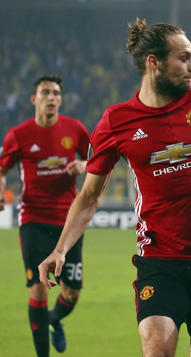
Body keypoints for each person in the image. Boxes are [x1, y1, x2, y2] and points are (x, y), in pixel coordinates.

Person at [38, 19, 191, 357]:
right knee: (156, 347)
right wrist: (61, 249)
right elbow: (90, 196)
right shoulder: (116, 121)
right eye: (184, 58)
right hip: (160, 259)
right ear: (153, 62)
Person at [0, 75, 90, 357]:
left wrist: (84, 164)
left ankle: (52, 321)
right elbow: (1, 170)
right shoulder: (18, 135)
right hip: (34, 220)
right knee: (38, 289)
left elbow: (99, 158)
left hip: (69, 222)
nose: (52, 97)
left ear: (60, 99)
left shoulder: (74, 129)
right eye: (46, 93)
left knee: (72, 294)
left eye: (56, 93)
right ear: (34, 99)